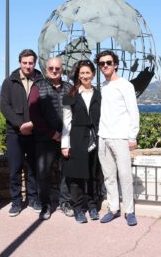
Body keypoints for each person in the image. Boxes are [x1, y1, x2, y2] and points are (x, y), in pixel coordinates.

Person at [95, 50, 140, 226]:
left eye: (108, 62)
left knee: (125, 175)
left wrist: (132, 136)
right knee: (108, 176)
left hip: (120, 137)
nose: (105, 65)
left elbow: (133, 112)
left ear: (116, 64)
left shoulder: (126, 85)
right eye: (101, 63)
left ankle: (129, 211)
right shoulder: (102, 87)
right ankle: (113, 208)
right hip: (103, 136)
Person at [29, 57, 73, 220]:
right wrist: (52, 133)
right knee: (43, 173)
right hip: (44, 140)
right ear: (46, 69)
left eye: (57, 68)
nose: (54, 70)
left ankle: (65, 202)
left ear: (62, 69)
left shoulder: (69, 87)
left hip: (66, 139)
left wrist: (66, 136)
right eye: (51, 68)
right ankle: (45, 205)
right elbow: (34, 114)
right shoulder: (37, 87)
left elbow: (75, 111)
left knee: (66, 173)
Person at [0, 49, 43, 217]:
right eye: (25, 62)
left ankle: (33, 199)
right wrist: (21, 125)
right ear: (20, 63)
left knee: (34, 168)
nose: (28, 66)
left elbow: (45, 106)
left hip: (35, 132)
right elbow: (5, 106)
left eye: (31, 63)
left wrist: (33, 124)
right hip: (14, 134)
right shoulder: (9, 82)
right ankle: (16, 201)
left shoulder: (41, 80)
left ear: (35, 63)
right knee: (15, 169)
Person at [61, 60, 104, 223]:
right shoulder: (70, 95)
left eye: (88, 72)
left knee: (93, 176)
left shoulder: (99, 94)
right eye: (82, 73)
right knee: (76, 177)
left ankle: (92, 205)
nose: (85, 76)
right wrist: (65, 144)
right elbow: (66, 121)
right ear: (78, 75)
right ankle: (78, 208)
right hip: (77, 138)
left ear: (93, 74)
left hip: (96, 138)